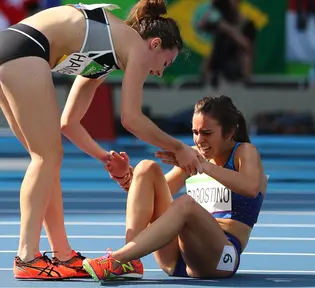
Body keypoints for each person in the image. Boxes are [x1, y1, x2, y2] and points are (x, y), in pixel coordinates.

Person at [0, 0, 203, 280]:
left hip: (13, 47)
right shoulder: (136, 47)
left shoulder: (106, 56)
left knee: (47, 161)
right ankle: (27, 257)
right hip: (25, 50)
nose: (160, 72)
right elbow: (131, 119)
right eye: (166, 63)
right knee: (46, 157)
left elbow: (69, 123)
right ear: (155, 44)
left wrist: (105, 158)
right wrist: (179, 147)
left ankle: (63, 254)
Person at [82, 95, 269, 281]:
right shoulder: (194, 156)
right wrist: (126, 177)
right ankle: (130, 261)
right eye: (195, 132)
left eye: (207, 133)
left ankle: (118, 258)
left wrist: (205, 166)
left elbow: (251, 187)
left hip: (220, 258)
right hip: (176, 257)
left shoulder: (244, 152)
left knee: (186, 204)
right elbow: (151, 197)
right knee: (146, 168)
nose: (199, 139)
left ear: (229, 132)